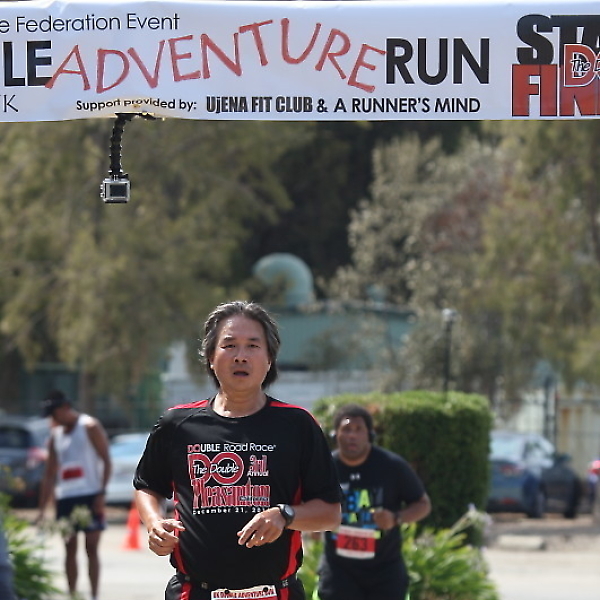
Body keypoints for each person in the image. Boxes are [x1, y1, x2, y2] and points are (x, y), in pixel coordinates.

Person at [134, 300, 342, 600]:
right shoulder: (177, 424)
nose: (241, 356)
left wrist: (285, 515)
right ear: (210, 357)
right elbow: (147, 486)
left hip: (275, 594)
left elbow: (331, 513)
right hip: (194, 592)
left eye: (253, 346)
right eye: (229, 345)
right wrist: (155, 524)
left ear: (269, 359)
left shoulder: (297, 424)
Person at [317, 403, 431, 600]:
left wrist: (395, 518)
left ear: (370, 435)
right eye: (346, 429)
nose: (352, 435)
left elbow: (423, 504)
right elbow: (307, 502)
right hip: (338, 570)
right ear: (336, 435)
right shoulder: (324, 468)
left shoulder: (392, 466)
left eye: (358, 429)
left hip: (384, 570)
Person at [37, 390, 112, 600]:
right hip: (66, 497)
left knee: (91, 547)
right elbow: (49, 473)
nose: (52, 420)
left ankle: (94, 595)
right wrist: (42, 508)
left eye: (54, 414)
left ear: (64, 408)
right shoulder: (56, 435)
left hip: (90, 494)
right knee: (69, 546)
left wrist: (101, 493)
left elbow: (106, 460)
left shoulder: (89, 426)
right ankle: (73, 595)